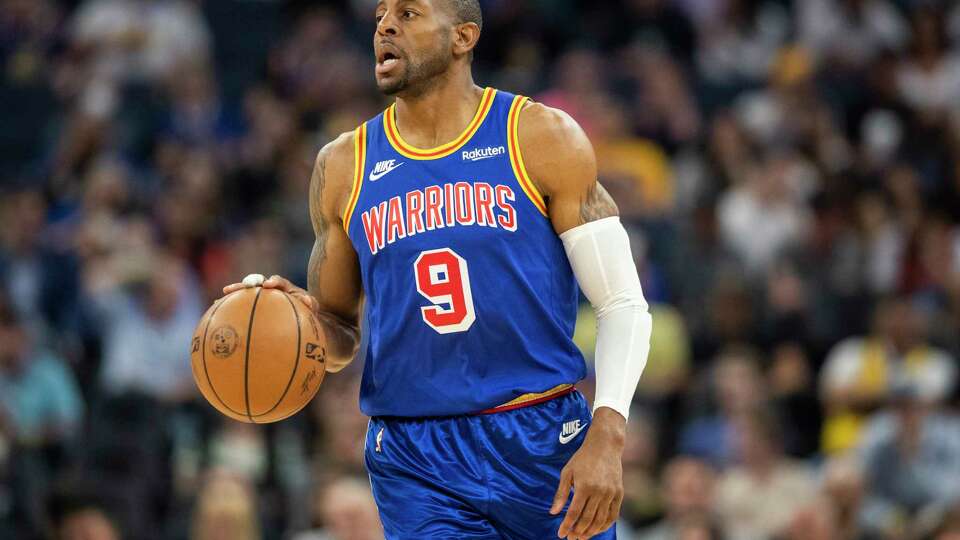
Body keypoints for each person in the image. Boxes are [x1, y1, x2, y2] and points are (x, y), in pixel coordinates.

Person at [223, 0, 653, 538]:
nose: (385, 25)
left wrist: (609, 431)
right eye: (381, 13)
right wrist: (291, 322)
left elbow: (621, 304)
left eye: (408, 13)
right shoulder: (343, 165)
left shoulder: (539, 136)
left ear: (463, 37)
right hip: (414, 453)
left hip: (541, 433)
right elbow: (338, 335)